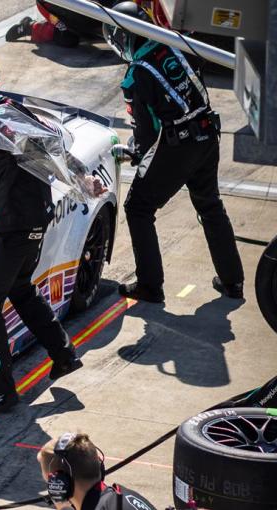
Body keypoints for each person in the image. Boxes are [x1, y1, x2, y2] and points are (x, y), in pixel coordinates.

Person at [0, 56, 83, 415]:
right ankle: (64, 354)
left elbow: (45, 148)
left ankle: (0, 390)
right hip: (30, 221)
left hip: (15, 227)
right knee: (21, 290)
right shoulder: (9, 110)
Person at [106, 1, 243, 303]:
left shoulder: (136, 75)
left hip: (178, 146)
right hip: (208, 133)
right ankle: (233, 281)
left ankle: (150, 286)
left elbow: (146, 135)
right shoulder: (175, 44)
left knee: (138, 207)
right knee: (210, 205)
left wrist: (138, 156)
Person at [38, 433, 158, 509]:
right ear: (99, 466)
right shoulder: (124, 496)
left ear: (59, 484)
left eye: (50, 483)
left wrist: (60, 501)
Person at [6, 1, 121, 47]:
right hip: (69, 13)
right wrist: (63, 27)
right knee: (68, 38)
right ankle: (30, 27)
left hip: (101, 9)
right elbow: (57, 21)